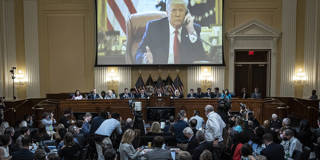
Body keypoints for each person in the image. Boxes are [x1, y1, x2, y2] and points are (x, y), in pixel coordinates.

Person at [135, 0, 206, 64]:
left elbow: (201, 57)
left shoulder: (193, 28)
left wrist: (191, 30)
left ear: (186, 12)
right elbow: (139, 52)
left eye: (181, 10)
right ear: (167, 12)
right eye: (174, 10)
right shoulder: (154, 27)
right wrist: (144, 59)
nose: (177, 14)